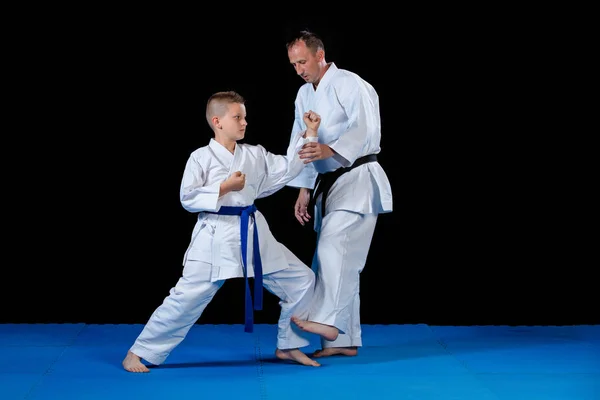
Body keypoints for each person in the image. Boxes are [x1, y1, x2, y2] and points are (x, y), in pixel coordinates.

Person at [122, 91, 323, 372]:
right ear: (217, 121)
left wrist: (310, 133)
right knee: (185, 299)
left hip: (253, 233)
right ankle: (138, 352)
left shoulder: (254, 154)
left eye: (244, 117)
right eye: (237, 117)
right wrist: (224, 187)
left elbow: (289, 167)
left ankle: (289, 345)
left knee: (301, 279)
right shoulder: (200, 157)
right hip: (215, 236)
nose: (244, 123)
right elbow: (187, 198)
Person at [284, 30, 393, 357]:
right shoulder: (304, 95)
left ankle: (324, 319)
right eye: (293, 64)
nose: (299, 69)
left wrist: (330, 147)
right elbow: (301, 143)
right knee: (333, 259)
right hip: (329, 184)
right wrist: (304, 186)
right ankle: (342, 341)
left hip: (358, 177)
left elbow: (366, 128)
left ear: (320, 55)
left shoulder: (350, 83)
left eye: (303, 61)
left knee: (334, 251)